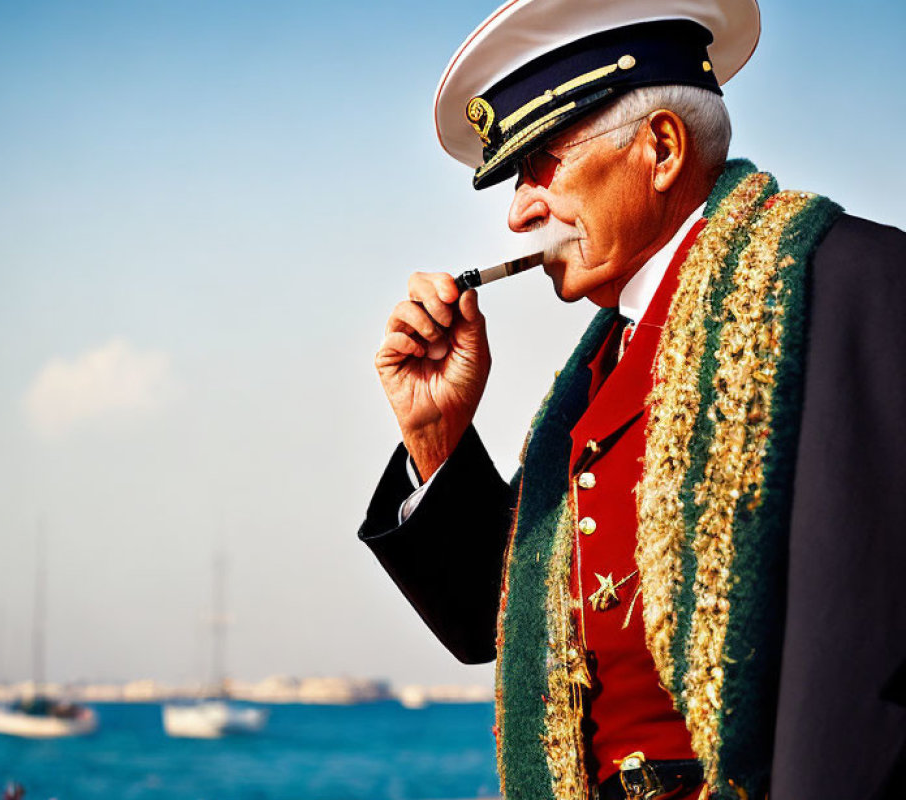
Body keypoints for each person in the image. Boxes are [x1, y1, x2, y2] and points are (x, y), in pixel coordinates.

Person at [357, 1, 906, 799]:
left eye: (542, 161)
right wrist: (438, 438)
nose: (516, 212)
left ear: (659, 148)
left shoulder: (861, 288)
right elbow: (506, 636)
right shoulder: (600, 366)